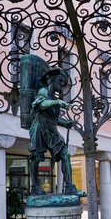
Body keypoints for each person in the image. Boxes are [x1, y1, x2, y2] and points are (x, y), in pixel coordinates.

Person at [28, 67, 86, 197]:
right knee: (36, 157)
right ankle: (35, 187)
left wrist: (65, 123)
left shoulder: (55, 100)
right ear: (51, 81)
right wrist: (57, 102)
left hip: (51, 129)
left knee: (65, 155)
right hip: (40, 127)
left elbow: (53, 118)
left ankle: (69, 187)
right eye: (60, 81)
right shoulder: (43, 91)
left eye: (64, 84)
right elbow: (42, 105)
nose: (62, 85)